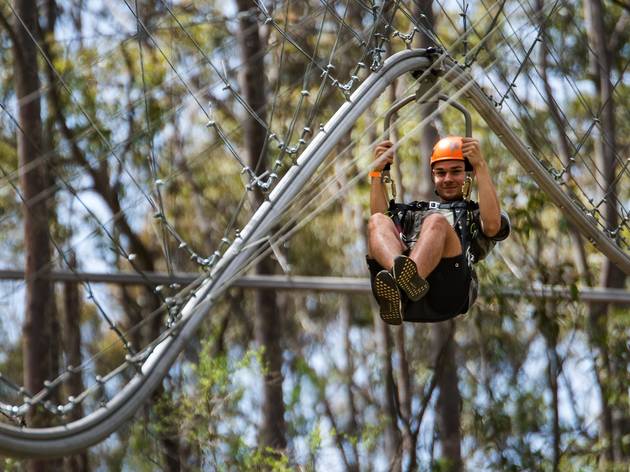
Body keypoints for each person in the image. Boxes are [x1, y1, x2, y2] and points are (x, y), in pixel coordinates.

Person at [366, 136, 510, 324]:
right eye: (440, 173)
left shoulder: (473, 215)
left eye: (456, 171)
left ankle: (404, 284)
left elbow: (492, 226)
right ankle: (403, 286)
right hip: (402, 304)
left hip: (447, 294)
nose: (448, 178)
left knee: (436, 221)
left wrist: (480, 166)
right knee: (377, 220)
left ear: (468, 175)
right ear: (433, 177)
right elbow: (380, 231)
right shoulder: (413, 213)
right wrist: (377, 173)